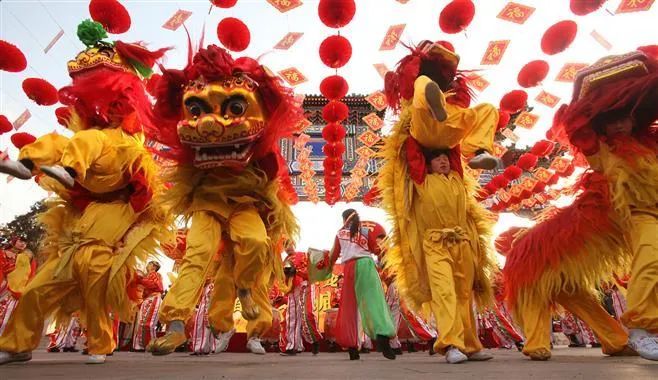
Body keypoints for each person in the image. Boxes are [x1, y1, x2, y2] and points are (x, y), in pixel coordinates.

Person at [0, 20, 168, 366]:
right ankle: (16, 343)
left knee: (95, 272)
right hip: (86, 206)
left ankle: (101, 342)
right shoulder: (86, 130)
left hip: (117, 197)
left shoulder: (125, 133)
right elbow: (78, 136)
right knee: (40, 284)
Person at [144, 44, 300, 357]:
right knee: (197, 255)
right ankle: (175, 324)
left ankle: (245, 288)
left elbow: (270, 173)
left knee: (255, 243)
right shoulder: (194, 145)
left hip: (244, 202)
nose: (209, 125)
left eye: (235, 109)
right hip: (207, 202)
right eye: (198, 111)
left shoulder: (262, 154)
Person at [501, 50, 658, 361]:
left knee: (573, 293)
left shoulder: (648, 144)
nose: (619, 125)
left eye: (624, 115)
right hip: (625, 219)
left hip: (642, 216)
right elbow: (577, 126)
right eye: (609, 118)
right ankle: (640, 325)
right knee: (537, 289)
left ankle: (614, 338)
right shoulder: (600, 148)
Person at [379, 40, 499, 364]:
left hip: (461, 241)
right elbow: (411, 152)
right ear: (427, 163)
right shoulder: (421, 178)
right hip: (434, 243)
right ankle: (450, 344)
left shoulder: (457, 178)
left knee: (463, 294)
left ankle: (469, 344)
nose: (444, 163)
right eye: (440, 161)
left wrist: (457, 151)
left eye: (448, 160)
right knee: (445, 292)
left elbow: (451, 155)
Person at [317, 210, 396, 360]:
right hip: (366, 265)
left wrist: (323, 262)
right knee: (374, 302)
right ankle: (382, 338)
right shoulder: (365, 231)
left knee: (349, 307)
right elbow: (376, 250)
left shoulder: (340, 234)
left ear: (344, 220)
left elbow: (333, 256)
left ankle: (352, 348)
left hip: (349, 268)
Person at [279, 244, 322, 356]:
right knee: (291, 317)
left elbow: (311, 272)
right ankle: (293, 345)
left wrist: (297, 272)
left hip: (304, 285)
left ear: (293, 244)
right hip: (292, 290)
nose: (287, 247)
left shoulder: (302, 255)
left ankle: (314, 340)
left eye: (289, 244)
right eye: (285, 245)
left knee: (306, 314)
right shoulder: (284, 261)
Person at [132, 261, 164, 351]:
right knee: (141, 323)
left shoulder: (156, 275)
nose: (147, 265)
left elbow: (158, 286)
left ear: (154, 266)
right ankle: (140, 346)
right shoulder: (147, 276)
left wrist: (141, 280)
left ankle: (151, 345)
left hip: (153, 298)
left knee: (149, 323)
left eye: (149, 264)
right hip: (147, 299)